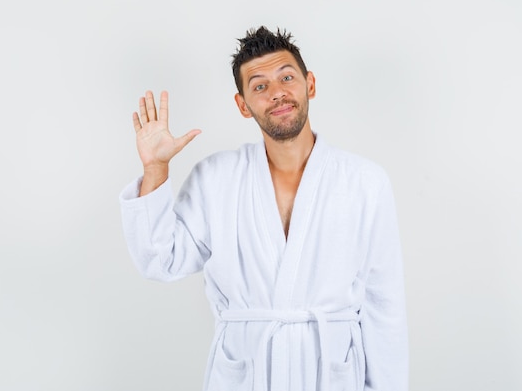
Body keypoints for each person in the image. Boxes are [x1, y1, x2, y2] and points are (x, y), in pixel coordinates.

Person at [120, 26, 408, 391]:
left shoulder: (366, 182)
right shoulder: (215, 178)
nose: (277, 93)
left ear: (310, 84)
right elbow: (160, 259)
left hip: (331, 375)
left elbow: (385, 308)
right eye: (259, 86)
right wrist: (155, 169)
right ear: (243, 105)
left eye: (287, 77)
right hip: (244, 375)